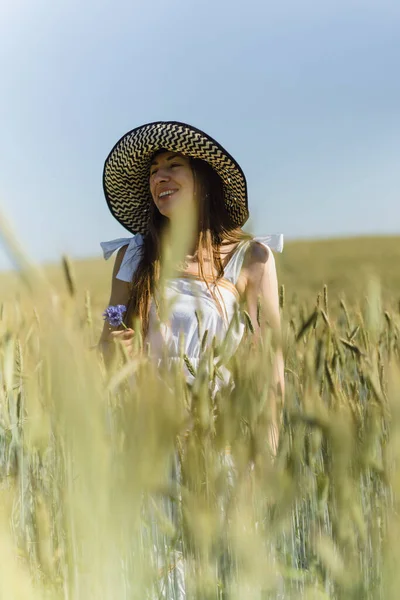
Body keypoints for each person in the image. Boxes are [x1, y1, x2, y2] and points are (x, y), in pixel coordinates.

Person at [100, 120, 285, 597]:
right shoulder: (134, 256)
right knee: (166, 578)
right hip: (154, 445)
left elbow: (271, 366)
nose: (160, 176)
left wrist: (265, 451)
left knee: (223, 574)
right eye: (154, 171)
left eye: (173, 166)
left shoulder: (252, 258)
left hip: (224, 445)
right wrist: (116, 345)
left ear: (204, 181)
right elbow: (110, 332)